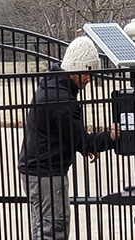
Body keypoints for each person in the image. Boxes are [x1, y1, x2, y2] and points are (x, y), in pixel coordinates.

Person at [18, 36, 119, 240]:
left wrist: (81, 144)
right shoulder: (61, 98)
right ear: (75, 68)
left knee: (42, 226)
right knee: (54, 228)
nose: (89, 79)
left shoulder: (52, 86)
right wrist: (110, 136)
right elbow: (83, 140)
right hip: (48, 173)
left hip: (36, 170)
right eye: (87, 72)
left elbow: (66, 134)